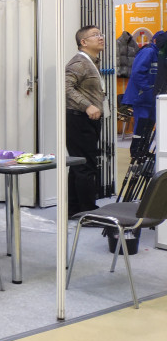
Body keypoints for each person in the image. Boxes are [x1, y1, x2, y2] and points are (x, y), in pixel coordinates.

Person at [65, 25, 107, 217]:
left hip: (86, 120)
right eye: (95, 35)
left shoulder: (92, 62)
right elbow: (65, 87)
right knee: (85, 165)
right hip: (79, 119)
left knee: (79, 164)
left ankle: (74, 208)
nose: (101, 37)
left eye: (101, 34)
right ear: (83, 42)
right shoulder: (79, 63)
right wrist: (87, 105)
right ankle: (88, 211)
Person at [122, 30, 159, 137]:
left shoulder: (160, 54)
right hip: (142, 96)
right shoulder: (148, 51)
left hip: (151, 97)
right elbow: (137, 73)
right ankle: (137, 147)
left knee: (149, 127)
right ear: (155, 41)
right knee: (141, 128)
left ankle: (144, 146)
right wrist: (147, 89)